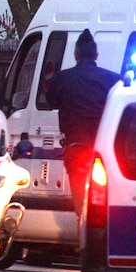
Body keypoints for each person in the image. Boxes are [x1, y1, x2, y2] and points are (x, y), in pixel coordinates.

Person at [46, 29, 120, 215]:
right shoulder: (113, 79)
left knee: (80, 203)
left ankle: (83, 226)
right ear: (96, 55)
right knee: (108, 199)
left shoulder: (63, 78)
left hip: (76, 145)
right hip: (103, 147)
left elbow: (51, 101)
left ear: (75, 55)